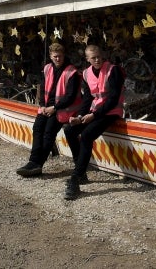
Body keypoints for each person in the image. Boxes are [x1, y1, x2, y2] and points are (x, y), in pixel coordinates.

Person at [62, 44, 125, 200]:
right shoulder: (86, 73)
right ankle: (81, 172)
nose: (97, 60)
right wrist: (80, 115)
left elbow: (113, 99)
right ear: (87, 59)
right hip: (95, 111)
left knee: (87, 135)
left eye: (99, 56)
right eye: (93, 58)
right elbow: (88, 98)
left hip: (111, 111)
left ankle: (75, 179)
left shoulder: (113, 70)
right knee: (69, 130)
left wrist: (94, 115)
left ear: (102, 55)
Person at [15, 42, 82, 177]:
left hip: (62, 109)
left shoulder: (72, 72)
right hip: (46, 107)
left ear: (64, 56)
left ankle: (38, 164)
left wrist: (54, 108)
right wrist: (43, 105)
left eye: (60, 56)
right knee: (37, 128)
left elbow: (70, 96)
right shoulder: (47, 69)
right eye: (55, 56)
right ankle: (33, 161)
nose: (58, 59)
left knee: (48, 133)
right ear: (51, 56)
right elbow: (44, 88)